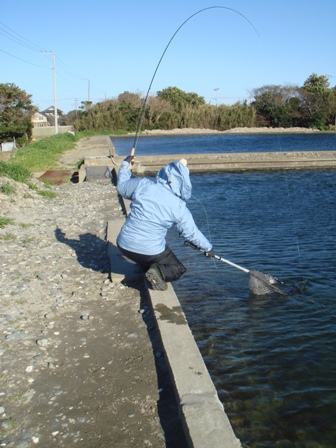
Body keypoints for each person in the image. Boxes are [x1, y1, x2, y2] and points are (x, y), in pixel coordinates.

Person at [116, 155, 215, 291]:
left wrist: (125, 166)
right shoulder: (179, 207)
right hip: (148, 251)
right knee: (177, 269)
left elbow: (121, 187)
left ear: (164, 173)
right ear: (184, 184)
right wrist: (208, 248)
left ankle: (148, 267)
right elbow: (191, 233)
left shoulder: (143, 185)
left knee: (159, 245)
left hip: (123, 245)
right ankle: (157, 271)